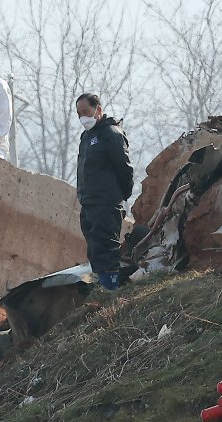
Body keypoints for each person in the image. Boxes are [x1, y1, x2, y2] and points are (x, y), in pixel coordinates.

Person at [75, 93, 134, 291]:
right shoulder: (87, 136)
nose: (83, 117)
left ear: (98, 109)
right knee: (94, 249)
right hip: (88, 202)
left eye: (86, 112)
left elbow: (124, 167)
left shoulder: (111, 133)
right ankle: (101, 286)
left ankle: (111, 290)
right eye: (79, 114)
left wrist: (122, 194)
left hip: (106, 203)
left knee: (106, 247)